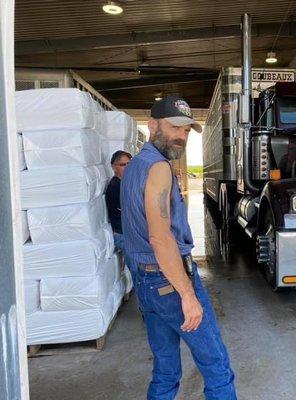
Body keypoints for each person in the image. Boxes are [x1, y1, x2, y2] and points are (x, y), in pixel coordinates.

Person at [121, 96, 237, 400]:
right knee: (216, 364)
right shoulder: (159, 169)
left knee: (167, 370)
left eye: (186, 131)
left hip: (147, 281)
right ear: (153, 125)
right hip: (169, 281)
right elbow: (160, 239)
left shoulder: (134, 166)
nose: (181, 136)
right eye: (175, 127)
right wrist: (188, 295)